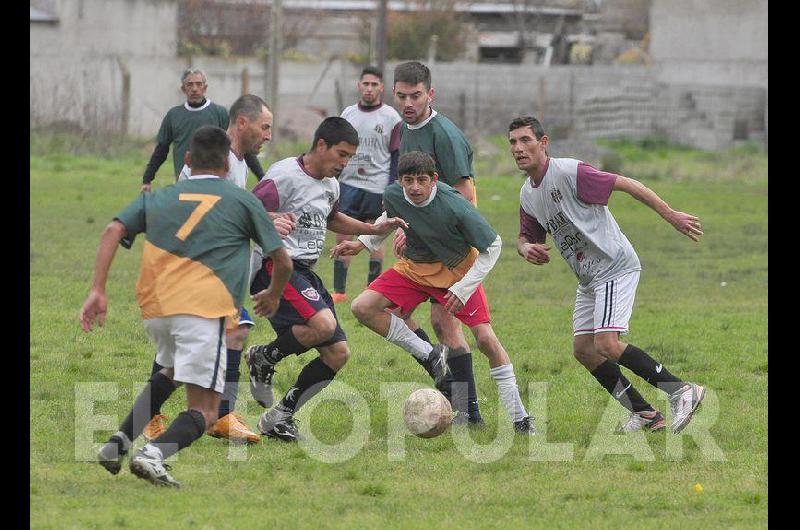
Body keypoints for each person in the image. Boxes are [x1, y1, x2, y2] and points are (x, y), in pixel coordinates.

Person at [85, 126, 292, 487]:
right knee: (206, 410)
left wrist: (97, 291)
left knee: (171, 371)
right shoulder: (242, 199)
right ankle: (152, 455)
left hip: (157, 308)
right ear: (228, 163)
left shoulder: (161, 195)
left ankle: (118, 442)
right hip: (202, 310)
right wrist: (273, 294)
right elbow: (282, 260)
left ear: (187, 160)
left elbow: (111, 231)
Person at [510, 115, 706, 433]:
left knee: (607, 343)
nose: (518, 148)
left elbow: (627, 184)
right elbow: (525, 236)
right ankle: (645, 414)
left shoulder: (571, 172)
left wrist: (670, 215)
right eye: (513, 143)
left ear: (543, 143)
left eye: (525, 140)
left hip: (614, 265)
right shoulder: (528, 195)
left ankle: (681, 391)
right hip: (588, 278)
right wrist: (525, 249)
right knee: (584, 351)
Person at [333, 151, 536, 434]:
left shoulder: (454, 205)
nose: (414, 187)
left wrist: (464, 289)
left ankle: (520, 418)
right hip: (415, 268)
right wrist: (362, 243)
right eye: (408, 180)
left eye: (421, 180)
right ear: (400, 181)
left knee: (486, 340)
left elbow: (494, 245)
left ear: (434, 180)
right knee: (362, 307)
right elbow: (389, 217)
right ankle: (430, 355)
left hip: (458, 273)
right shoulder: (393, 194)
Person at [142, 94, 295, 444]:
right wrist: (266, 221)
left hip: (214, 272)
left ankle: (221, 415)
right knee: (184, 347)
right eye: (265, 126)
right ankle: (158, 418)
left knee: (236, 331)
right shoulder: (217, 159)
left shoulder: (237, 162)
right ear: (243, 122)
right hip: (194, 267)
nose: (268, 134)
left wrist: (266, 219)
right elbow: (205, 211)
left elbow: (230, 210)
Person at [244, 117, 409, 442]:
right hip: (275, 265)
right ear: (321, 145)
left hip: (305, 272)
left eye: (350, 156)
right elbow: (245, 210)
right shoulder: (284, 175)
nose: (345, 163)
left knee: (338, 353)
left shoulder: (331, 185)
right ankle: (263, 357)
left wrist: (373, 229)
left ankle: (280, 417)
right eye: (341, 154)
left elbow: (331, 218)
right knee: (322, 326)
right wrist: (270, 220)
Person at [391, 61, 483, 425]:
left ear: (431, 94)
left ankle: (467, 410)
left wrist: (434, 234)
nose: (408, 102)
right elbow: (414, 190)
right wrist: (405, 225)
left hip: (450, 247)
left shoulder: (444, 135)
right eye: (402, 96)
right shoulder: (404, 129)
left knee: (445, 323)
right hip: (423, 245)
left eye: (416, 95)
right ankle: (447, 384)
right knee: (397, 313)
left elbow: (465, 195)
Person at [331, 66, 402, 304]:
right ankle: (339, 291)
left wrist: (391, 186)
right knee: (342, 234)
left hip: (377, 185)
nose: (369, 88)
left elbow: (396, 154)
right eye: (366, 84)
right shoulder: (348, 114)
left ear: (381, 88)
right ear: (359, 86)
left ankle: (371, 289)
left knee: (375, 235)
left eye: (374, 85)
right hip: (349, 183)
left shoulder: (391, 117)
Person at [140, 68, 265, 192]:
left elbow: (240, 145)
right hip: (185, 184)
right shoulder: (173, 115)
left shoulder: (220, 113)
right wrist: (147, 179)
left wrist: (261, 177)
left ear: (205, 88)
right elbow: (161, 150)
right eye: (190, 84)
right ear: (183, 89)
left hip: (216, 184)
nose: (194, 88)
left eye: (199, 84)